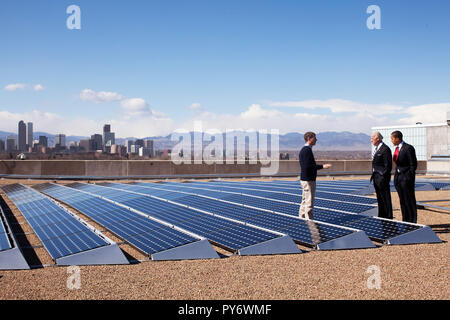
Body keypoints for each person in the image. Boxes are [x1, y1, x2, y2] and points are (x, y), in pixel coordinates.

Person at [298, 132, 332, 219]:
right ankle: (310, 222)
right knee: (309, 202)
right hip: (308, 180)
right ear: (309, 138)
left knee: (305, 201)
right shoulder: (306, 150)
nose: (316, 140)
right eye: (315, 138)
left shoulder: (304, 149)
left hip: (305, 179)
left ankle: (301, 219)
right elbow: (308, 166)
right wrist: (323, 166)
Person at [391, 130, 418, 223]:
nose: (391, 141)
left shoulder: (408, 148)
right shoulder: (397, 149)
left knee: (409, 200)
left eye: (392, 139)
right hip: (398, 179)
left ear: (397, 138)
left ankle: (412, 221)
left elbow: (413, 164)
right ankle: (405, 219)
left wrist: (408, 177)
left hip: (406, 179)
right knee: (402, 200)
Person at [370, 131, 393, 219]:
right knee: (380, 199)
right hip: (376, 179)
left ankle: (388, 217)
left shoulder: (385, 149)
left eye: (372, 138)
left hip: (382, 179)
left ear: (378, 138)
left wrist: (383, 177)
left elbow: (388, 166)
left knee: (385, 198)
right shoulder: (378, 149)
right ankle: (382, 216)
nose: (371, 141)